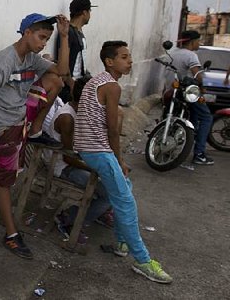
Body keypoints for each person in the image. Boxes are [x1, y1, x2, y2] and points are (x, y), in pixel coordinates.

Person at [74, 41, 173, 284]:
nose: (129, 61)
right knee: (126, 202)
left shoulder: (97, 81)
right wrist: (118, 159)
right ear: (110, 61)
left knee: (125, 187)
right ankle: (143, 261)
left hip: (91, 148)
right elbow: (112, 130)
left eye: (129, 57)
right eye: (124, 57)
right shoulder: (110, 86)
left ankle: (121, 241)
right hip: (97, 150)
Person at [0, 13, 70, 259]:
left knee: (55, 81)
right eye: (41, 37)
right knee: (5, 181)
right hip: (5, 125)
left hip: (21, 120)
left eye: (47, 39)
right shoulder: (5, 61)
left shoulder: (30, 58)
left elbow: (62, 71)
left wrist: (65, 36)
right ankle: (10, 234)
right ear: (26, 32)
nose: (43, 43)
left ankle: (36, 129)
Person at [44, 77, 113, 241]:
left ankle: (97, 211)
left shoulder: (80, 112)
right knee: (110, 192)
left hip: (76, 161)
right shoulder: (67, 118)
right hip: (62, 166)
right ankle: (68, 218)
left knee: (117, 180)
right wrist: (95, 168)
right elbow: (69, 157)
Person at [168, 30, 214, 165]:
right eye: (198, 41)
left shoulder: (173, 53)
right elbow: (197, 75)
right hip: (186, 93)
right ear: (193, 41)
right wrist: (202, 87)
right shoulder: (191, 55)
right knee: (206, 117)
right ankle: (199, 154)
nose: (199, 44)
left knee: (193, 117)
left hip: (171, 92)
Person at [56, 0, 96, 102]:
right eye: (89, 11)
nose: (90, 15)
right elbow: (64, 59)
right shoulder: (68, 31)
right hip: (69, 89)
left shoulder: (78, 32)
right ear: (84, 12)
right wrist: (71, 83)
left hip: (79, 85)